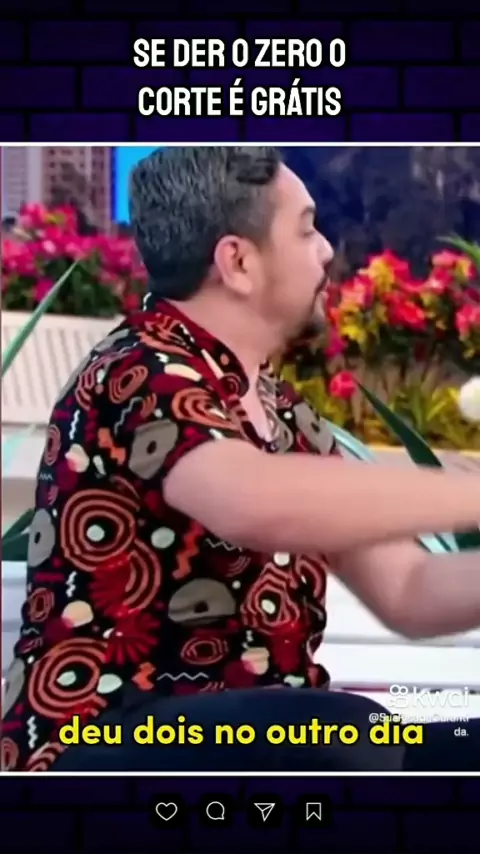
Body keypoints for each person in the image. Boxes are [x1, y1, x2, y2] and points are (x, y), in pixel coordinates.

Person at [2, 146, 480, 773]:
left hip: (267, 744)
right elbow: (251, 503)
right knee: (338, 730)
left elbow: (409, 590)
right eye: (305, 229)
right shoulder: (139, 370)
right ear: (238, 262)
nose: (326, 250)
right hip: (105, 747)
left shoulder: (282, 412)